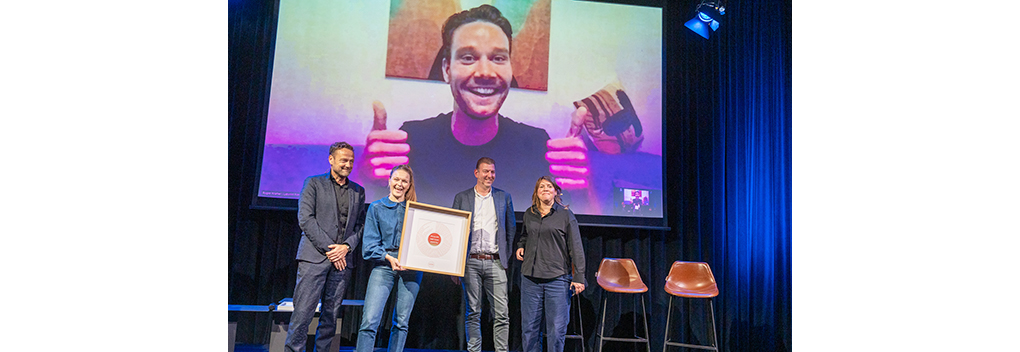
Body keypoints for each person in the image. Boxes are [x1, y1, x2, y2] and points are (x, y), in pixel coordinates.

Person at [363, 4, 590, 208]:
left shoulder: (535, 145)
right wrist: (366, 175)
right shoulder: (412, 140)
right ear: (446, 69)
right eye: (468, 57)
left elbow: (565, 224)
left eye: (499, 58)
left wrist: (580, 190)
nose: (485, 72)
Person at [287, 142, 367, 352]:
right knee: (303, 314)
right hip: (315, 258)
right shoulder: (313, 183)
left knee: (330, 317)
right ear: (331, 159)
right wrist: (333, 249)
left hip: (342, 263)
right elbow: (306, 219)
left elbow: (360, 225)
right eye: (343, 160)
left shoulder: (358, 191)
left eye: (351, 160)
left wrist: (347, 247)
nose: (348, 164)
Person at [450, 157, 516, 352]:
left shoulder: (504, 197)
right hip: (470, 262)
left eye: (493, 172)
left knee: (502, 314)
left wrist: (505, 259)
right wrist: (455, 266)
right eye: (486, 171)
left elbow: (510, 230)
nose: (490, 175)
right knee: (473, 312)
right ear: (476, 173)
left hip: (495, 262)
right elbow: (454, 231)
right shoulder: (462, 198)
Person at [515, 176, 587, 352]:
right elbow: (525, 235)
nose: (545, 189)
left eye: (549, 186)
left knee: (556, 330)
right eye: (541, 187)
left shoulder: (565, 215)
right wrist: (521, 246)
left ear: (556, 191)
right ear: (536, 192)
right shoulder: (529, 213)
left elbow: (576, 247)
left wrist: (579, 277)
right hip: (530, 280)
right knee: (529, 330)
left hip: (557, 280)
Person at [356, 165, 423, 352]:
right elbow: (369, 246)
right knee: (370, 321)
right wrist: (388, 258)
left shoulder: (417, 211)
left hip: (412, 267)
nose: (399, 184)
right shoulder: (376, 208)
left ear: (409, 185)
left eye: (404, 181)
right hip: (384, 265)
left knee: (401, 323)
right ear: (389, 180)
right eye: (397, 179)